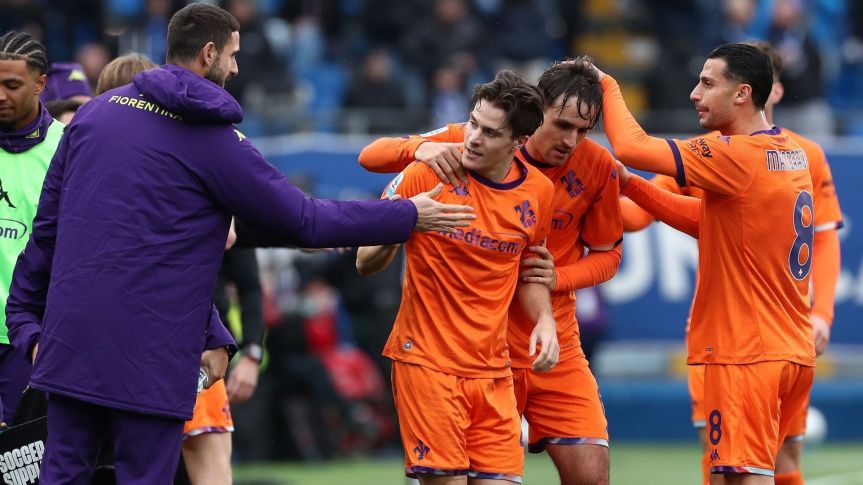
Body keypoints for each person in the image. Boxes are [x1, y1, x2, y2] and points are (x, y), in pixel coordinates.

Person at [4, 4, 475, 483]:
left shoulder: (93, 116)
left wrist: (26, 329)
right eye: (232, 55)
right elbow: (304, 220)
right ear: (208, 52)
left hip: (71, 348)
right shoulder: (213, 139)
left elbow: (53, 235)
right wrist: (408, 214)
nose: (236, 67)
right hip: (150, 359)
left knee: (61, 477)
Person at [359, 60, 623, 484]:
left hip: (521, 356)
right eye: (562, 125)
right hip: (437, 358)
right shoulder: (446, 154)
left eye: (583, 130)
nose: (571, 140)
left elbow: (539, 265)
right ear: (535, 125)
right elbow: (370, 166)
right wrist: (406, 208)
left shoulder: (549, 187)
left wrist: (550, 306)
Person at [618, 41, 843, 485]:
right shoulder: (794, 153)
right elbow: (666, 218)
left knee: (756, 465)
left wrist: (824, 313)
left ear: (755, 91)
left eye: (706, 83)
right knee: (731, 465)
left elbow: (631, 146)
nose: (695, 94)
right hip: (776, 340)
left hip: (746, 345)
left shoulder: (723, 155)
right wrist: (621, 188)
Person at [0, 31, 63, 426]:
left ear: (40, 84)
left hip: (30, 339)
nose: (0, 95)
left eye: (11, 85)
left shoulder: (67, 146)